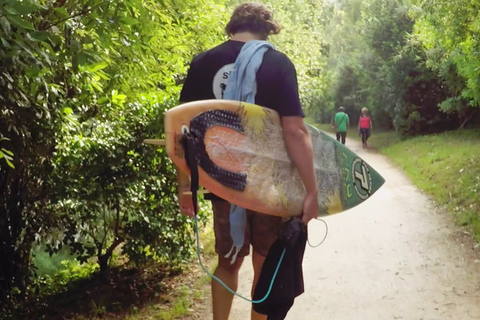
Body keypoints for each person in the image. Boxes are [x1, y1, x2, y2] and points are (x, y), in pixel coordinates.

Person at [177, 3, 319, 320]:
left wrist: (185, 186)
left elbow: (182, 131)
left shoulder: (203, 62)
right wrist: (311, 191)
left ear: (232, 26)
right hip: (270, 183)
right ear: (267, 29)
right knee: (266, 259)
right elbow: (295, 132)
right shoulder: (278, 63)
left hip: (222, 180)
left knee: (228, 260)